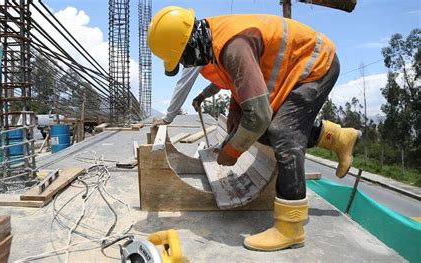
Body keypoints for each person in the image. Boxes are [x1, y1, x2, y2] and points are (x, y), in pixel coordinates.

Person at [147, 6, 361, 251]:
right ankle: (339, 138)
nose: (187, 64)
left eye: (184, 58)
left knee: (283, 131)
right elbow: (240, 80)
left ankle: (290, 228)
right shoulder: (214, 41)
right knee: (271, 130)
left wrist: (233, 150)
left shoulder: (232, 45)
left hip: (317, 64)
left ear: (190, 44)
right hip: (301, 67)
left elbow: (259, 117)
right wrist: (236, 111)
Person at [154, 64, 227, 126]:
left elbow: (183, 85)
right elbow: (221, 80)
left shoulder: (195, 53)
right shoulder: (210, 57)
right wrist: (202, 96)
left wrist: (167, 119)